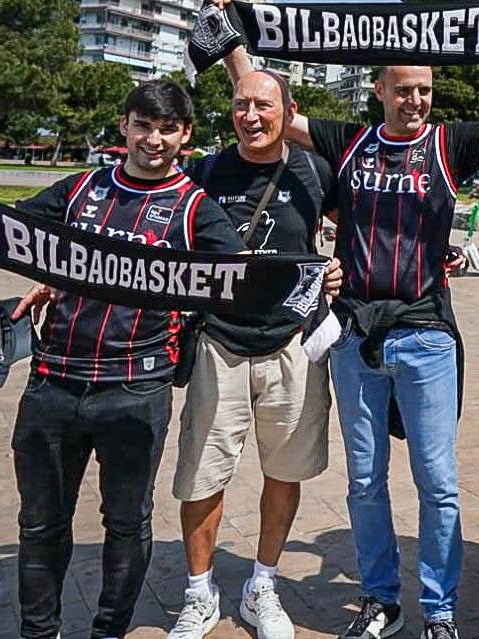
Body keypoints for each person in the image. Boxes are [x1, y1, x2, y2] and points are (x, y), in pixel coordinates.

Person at [219, 0, 479, 639]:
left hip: (427, 337)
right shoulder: (348, 140)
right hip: (355, 337)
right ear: (379, 88)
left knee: (438, 485)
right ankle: (381, 600)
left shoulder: (451, 143)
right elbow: (263, 107)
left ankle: (439, 612)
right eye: (404, 89)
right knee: (365, 482)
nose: (416, 100)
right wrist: (231, 43)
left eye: (426, 90)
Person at [0, 83, 248, 639]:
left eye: (168, 128)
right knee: (40, 524)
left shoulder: (195, 209)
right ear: (124, 127)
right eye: (144, 125)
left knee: (126, 524)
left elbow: (244, 276)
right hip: (54, 384)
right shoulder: (80, 190)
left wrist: (308, 276)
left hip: (138, 392)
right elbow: (7, 228)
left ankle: (108, 632)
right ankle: (40, 633)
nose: (154, 139)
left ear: (185, 136)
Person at [166, 68, 343, 639]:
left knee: (284, 471)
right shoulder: (206, 171)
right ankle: (200, 593)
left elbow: (365, 229)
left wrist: (345, 272)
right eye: (241, 105)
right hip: (220, 341)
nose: (251, 117)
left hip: (291, 344)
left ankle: (261, 583)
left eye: (264, 106)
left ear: (287, 111)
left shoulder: (314, 171)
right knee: (201, 475)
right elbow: (151, 225)